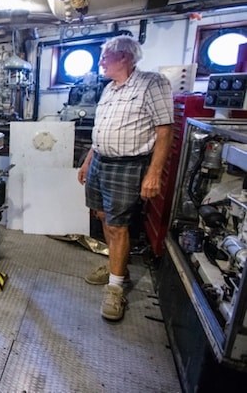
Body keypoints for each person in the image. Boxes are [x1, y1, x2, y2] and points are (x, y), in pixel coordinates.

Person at [77, 35, 173, 321]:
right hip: (100, 163)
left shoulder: (152, 83)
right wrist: (87, 161)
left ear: (126, 57)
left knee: (119, 227)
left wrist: (154, 173)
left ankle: (116, 288)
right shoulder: (109, 89)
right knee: (102, 216)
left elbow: (165, 130)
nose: (101, 62)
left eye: (106, 56)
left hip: (127, 165)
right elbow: (101, 131)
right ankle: (116, 266)